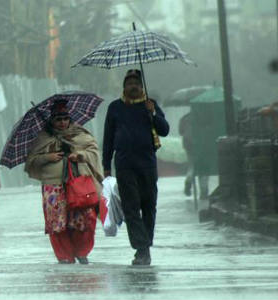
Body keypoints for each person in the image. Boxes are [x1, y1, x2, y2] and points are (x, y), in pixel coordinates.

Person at [102, 69, 170, 266]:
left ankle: (145, 245)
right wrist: (106, 166)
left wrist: (153, 114)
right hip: (124, 165)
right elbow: (108, 138)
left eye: (136, 83)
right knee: (131, 208)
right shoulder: (115, 108)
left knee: (149, 206)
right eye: (129, 83)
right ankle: (142, 249)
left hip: (147, 164)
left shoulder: (150, 105)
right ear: (124, 87)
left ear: (141, 86)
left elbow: (164, 130)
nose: (133, 86)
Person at [24, 99, 103, 265]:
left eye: (65, 118)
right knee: (57, 223)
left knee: (84, 219)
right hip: (53, 186)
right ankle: (64, 256)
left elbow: (93, 152)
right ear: (52, 120)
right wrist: (48, 157)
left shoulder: (80, 135)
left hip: (79, 183)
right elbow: (31, 162)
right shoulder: (43, 139)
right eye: (58, 119)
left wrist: (79, 155)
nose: (62, 122)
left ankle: (81, 252)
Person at [179, 112, 208, 198]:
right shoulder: (202, 116)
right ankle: (204, 192)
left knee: (191, 166)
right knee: (203, 168)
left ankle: (188, 183)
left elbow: (181, 132)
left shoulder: (184, 118)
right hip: (201, 145)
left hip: (188, 146)